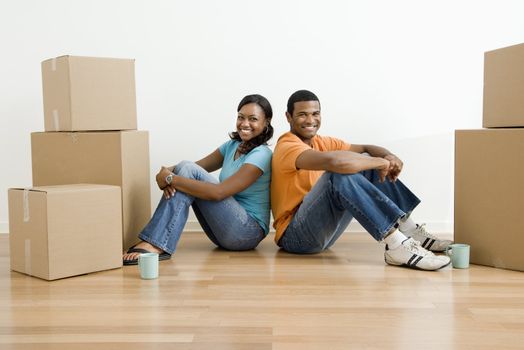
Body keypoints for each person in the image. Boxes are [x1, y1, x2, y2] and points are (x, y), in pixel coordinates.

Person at [271, 90, 452, 271]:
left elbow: (366, 148)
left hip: (322, 233)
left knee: (363, 160)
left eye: (315, 114)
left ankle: (410, 230)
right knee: (339, 174)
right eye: (302, 115)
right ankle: (396, 245)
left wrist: (389, 156)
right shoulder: (287, 146)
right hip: (295, 237)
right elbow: (335, 162)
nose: (310, 120)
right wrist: (381, 163)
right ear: (288, 117)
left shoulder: (321, 142)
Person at [123, 94, 274, 265]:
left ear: (266, 122)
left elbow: (219, 193)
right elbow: (189, 169)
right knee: (185, 167)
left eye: (253, 119)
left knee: (185, 169)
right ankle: (156, 242)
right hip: (224, 231)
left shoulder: (262, 154)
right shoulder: (231, 146)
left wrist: (171, 178)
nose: (244, 124)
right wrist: (163, 173)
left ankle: (156, 243)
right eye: (241, 117)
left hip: (247, 232)